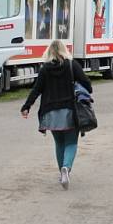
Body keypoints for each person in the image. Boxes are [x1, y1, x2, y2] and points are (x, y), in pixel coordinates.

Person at [21, 40, 93, 190]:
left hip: (50, 112)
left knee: (59, 143)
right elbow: (87, 84)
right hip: (70, 111)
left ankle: (62, 173)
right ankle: (66, 168)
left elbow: (36, 89)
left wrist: (26, 106)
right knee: (71, 142)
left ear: (49, 52)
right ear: (64, 50)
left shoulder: (45, 69)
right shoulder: (72, 65)